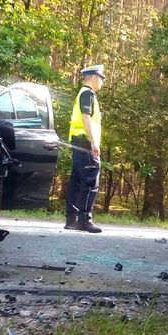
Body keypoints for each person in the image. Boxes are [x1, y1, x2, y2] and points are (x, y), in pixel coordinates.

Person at [65, 64, 105, 233]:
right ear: (95, 77)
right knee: (90, 180)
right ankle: (84, 220)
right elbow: (86, 117)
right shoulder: (88, 94)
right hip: (86, 142)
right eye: (102, 78)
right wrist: (94, 142)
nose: (102, 82)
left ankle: (72, 219)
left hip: (78, 141)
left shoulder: (83, 94)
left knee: (76, 180)